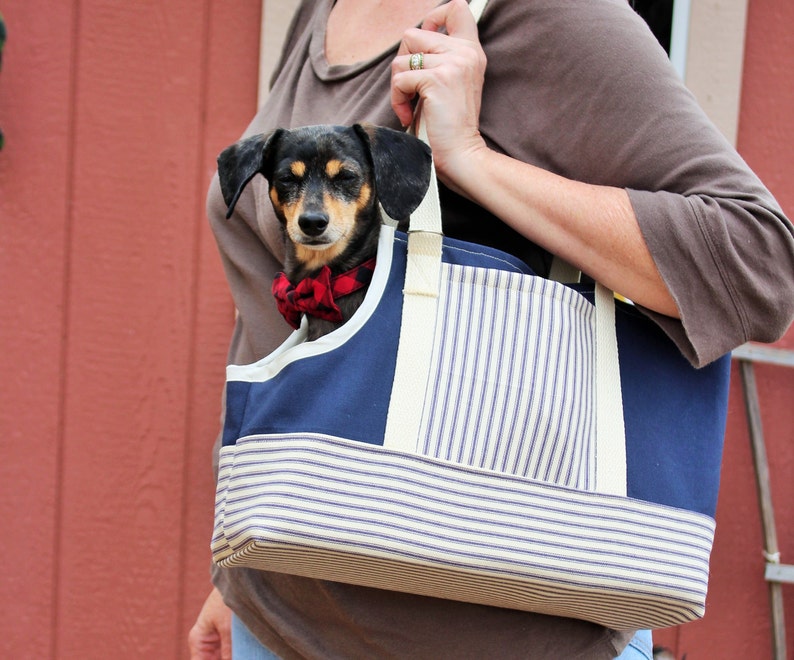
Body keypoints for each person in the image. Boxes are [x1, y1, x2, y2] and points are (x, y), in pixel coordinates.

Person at [189, 0, 794, 658]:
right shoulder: (327, 8)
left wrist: (469, 160)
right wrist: (237, 564)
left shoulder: (550, 17)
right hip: (275, 613)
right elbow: (284, 310)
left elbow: (757, 262)